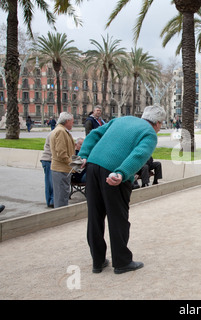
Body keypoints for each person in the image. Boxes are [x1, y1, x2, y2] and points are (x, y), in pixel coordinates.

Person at [78, 105, 166, 275]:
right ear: (157, 123)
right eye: (161, 124)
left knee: (95, 217)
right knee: (118, 218)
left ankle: (98, 261)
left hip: (92, 166)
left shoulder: (121, 119)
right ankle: (122, 262)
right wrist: (122, 172)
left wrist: (84, 153)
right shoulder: (149, 133)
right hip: (113, 171)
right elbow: (139, 155)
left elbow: (94, 134)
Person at [50, 112, 75, 207]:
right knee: (62, 197)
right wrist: (73, 164)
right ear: (67, 121)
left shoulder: (61, 130)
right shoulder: (60, 131)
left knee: (62, 195)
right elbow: (61, 153)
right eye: (72, 121)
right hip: (61, 169)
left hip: (61, 169)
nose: (73, 123)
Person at [40, 133, 54, 208]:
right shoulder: (55, 133)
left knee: (51, 182)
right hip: (48, 160)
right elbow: (54, 148)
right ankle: (51, 201)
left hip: (49, 160)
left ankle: (52, 200)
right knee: (50, 182)